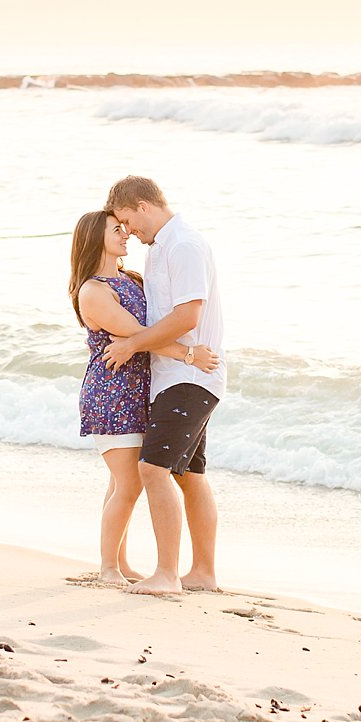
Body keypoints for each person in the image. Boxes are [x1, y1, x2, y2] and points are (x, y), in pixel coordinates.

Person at [70, 210, 217, 586]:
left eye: (124, 227)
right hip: (112, 392)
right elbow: (136, 334)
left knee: (120, 483)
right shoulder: (94, 290)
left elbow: (145, 334)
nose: (125, 235)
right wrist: (189, 355)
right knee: (129, 483)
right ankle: (108, 568)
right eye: (116, 230)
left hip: (139, 391)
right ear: (94, 239)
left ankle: (117, 564)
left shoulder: (131, 280)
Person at [100, 176, 225, 596]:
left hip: (190, 377)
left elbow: (189, 316)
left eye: (127, 221)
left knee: (152, 468)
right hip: (176, 376)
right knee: (190, 474)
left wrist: (133, 343)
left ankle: (167, 575)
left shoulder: (183, 245)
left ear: (142, 206)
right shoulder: (160, 249)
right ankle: (203, 573)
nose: (129, 231)